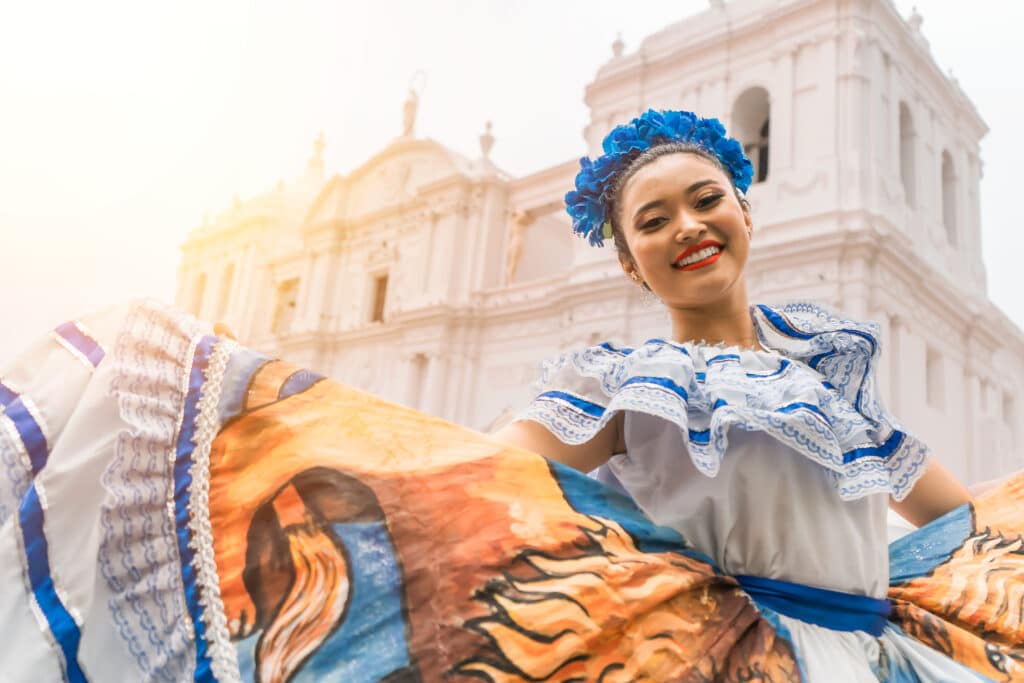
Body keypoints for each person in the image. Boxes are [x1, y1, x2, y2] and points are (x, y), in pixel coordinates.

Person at [0, 111, 1021, 682]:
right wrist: (241, 394)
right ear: (629, 262)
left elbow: (959, 520)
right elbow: (463, 472)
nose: (687, 226)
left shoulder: (830, 370)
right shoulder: (619, 383)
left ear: (744, 207)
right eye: (652, 219)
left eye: (705, 198)